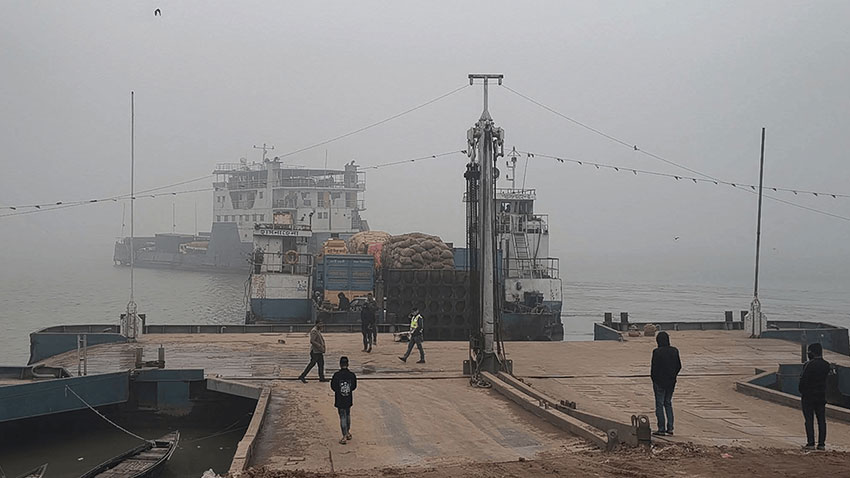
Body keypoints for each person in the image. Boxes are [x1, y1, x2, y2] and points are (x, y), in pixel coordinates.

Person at [799, 342, 830, 450]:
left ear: (812, 352)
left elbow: (803, 380)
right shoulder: (826, 365)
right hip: (821, 396)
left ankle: (811, 443)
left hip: (808, 396)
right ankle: (821, 444)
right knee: (821, 421)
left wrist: (802, 391)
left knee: (809, 420)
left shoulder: (809, 365)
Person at [650, 331, 681, 436]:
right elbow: (679, 366)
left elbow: (654, 368)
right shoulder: (674, 351)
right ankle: (670, 428)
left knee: (659, 405)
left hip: (659, 382)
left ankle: (661, 428)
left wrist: (654, 379)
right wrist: (673, 376)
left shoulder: (657, 352)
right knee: (668, 403)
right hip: (671, 382)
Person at [330, 356, 358, 444]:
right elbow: (354, 386)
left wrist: (338, 391)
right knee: (348, 414)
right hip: (348, 397)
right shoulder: (352, 375)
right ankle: (348, 432)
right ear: (348, 364)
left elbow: (333, 387)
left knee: (342, 416)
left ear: (340, 364)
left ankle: (344, 436)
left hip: (339, 398)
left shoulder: (336, 375)